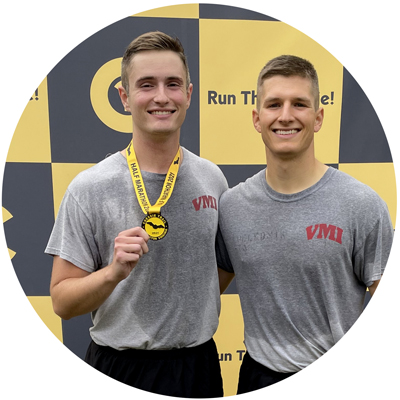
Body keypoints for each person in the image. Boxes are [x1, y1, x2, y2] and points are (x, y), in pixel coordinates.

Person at [45, 31, 228, 398]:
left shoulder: (213, 179)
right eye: (147, 85)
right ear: (125, 98)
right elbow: (62, 302)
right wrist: (113, 274)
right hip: (118, 368)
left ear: (189, 95)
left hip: (197, 369)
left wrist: (187, 301)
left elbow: (219, 270)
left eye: (173, 84)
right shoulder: (90, 187)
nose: (162, 96)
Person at [217, 55, 394, 394]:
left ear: (318, 117)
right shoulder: (232, 206)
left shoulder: (361, 204)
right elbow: (203, 295)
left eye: (299, 103)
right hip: (257, 378)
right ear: (257, 118)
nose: (286, 116)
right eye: (274, 104)